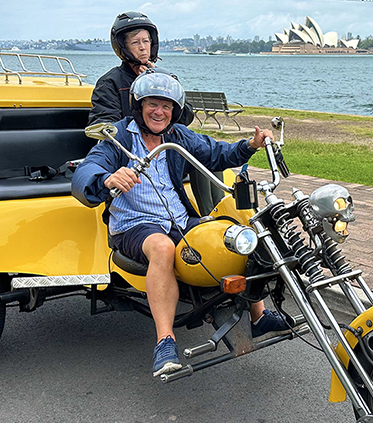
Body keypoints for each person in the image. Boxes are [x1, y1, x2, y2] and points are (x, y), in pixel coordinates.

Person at [72, 69, 290, 377]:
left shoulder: (176, 135)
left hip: (178, 219)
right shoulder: (119, 136)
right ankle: (165, 342)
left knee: (233, 238)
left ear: (174, 110)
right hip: (135, 225)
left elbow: (217, 153)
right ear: (139, 105)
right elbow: (86, 170)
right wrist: (106, 177)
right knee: (162, 247)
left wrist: (250, 145)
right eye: (152, 104)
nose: (159, 112)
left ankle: (259, 316)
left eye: (166, 106)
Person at [88, 11, 192, 127]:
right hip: (128, 143)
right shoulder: (110, 83)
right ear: (124, 47)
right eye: (135, 42)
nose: (142, 48)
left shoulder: (166, 79)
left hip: (162, 144)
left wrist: (157, 80)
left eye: (146, 41)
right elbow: (105, 123)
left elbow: (186, 117)